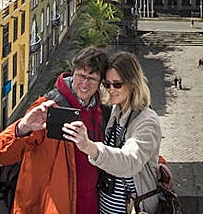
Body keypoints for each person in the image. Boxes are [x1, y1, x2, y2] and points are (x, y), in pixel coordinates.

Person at [0, 47, 110, 214]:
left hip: (88, 205)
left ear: (100, 83)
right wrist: (22, 128)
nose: (85, 84)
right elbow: (1, 155)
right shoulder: (47, 106)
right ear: (73, 72)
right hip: (47, 207)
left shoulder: (100, 112)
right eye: (81, 76)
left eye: (92, 79)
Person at [64, 51, 163, 214]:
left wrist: (89, 147)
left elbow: (130, 161)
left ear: (132, 83)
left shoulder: (147, 120)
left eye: (117, 84)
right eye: (106, 84)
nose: (111, 90)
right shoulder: (114, 113)